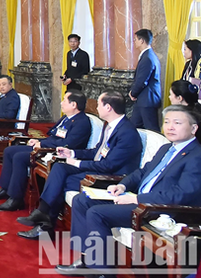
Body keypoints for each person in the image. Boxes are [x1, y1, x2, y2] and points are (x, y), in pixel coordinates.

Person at [56, 105, 201, 277]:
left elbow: (181, 194)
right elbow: (142, 172)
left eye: (177, 123)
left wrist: (137, 199)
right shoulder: (166, 148)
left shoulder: (196, 156)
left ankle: (102, 272)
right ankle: (88, 259)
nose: (169, 127)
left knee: (97, 213)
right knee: (82, 200)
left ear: (193, 128)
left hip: (158, 209)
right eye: (167, 122)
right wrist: (123, 185)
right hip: (139, 200)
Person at [16, 91, 142, 240]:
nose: (96, 107)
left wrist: (78, 163)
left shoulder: (126, 133)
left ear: (108, 107)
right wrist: (72, 153)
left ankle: (44, 224)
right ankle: (43, 214)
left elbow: (108, 165)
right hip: (98, 167)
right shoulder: (110, 126)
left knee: (61, 182)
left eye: (99, 104)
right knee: (59, 166)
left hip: (109, 178)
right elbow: (97, 151)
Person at [0, 90, 92, 211]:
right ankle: (5, 188)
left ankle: (16, 199)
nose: (61, 103)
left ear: (74, 105)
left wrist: (41, 143)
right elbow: (52, 135)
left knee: (19, 157)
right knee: (9, 151)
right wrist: (36, 140)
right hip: (45, 146)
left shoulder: (81, 122)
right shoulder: (66, 118)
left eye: (64, 101)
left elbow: (67, 144)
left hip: (55, 153)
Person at [128, 28, 162, 132]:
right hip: (143, 100)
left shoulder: (148, 57)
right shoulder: (147, 55)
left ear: (142, 40)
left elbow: (142, 80)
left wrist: (133, 93)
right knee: (134, 126)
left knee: (152, 129)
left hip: (148, 99)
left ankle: (158, 148)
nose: (135, 42)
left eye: (136, 39)